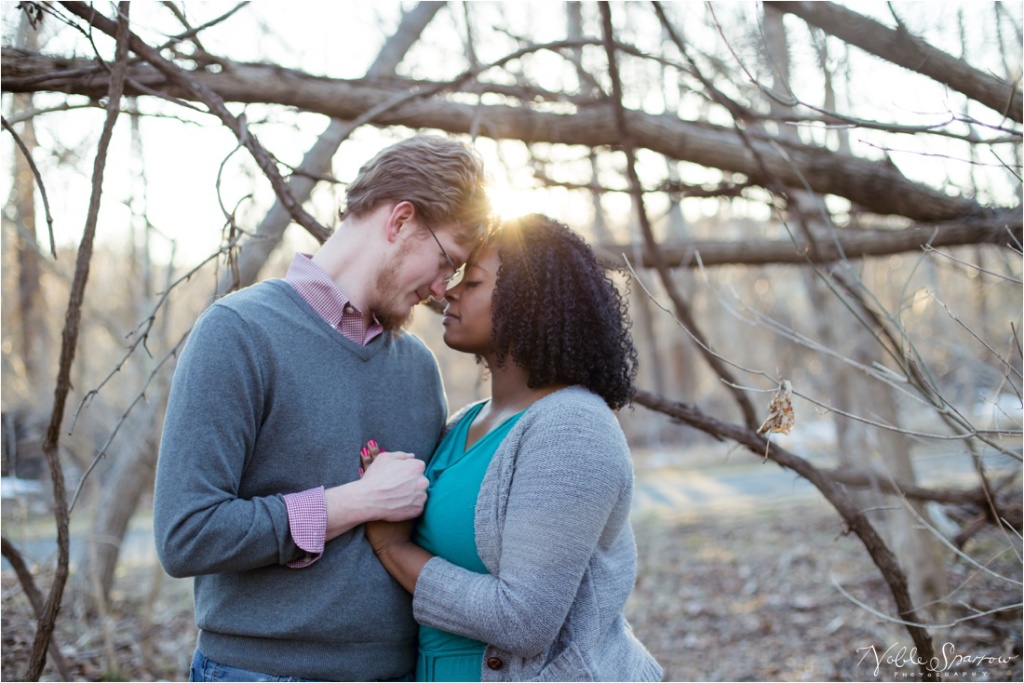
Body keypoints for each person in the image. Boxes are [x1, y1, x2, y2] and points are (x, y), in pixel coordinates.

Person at [153, 135, 491, 682]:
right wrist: (354, 502)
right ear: (400, 220)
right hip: (259, 671)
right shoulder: (238, 333)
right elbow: (186, 533)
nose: (439, 290)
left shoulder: (418, 368)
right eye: (444, 261)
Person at [360, 214, 664, 682]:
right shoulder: (464, 423)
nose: (449, 293)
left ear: (530, 304)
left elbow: (523, 622)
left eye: (474, 282)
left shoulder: (573, 428)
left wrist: (391, 546)